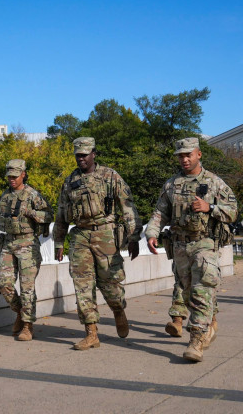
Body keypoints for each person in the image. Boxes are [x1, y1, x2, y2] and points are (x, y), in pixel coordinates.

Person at [145, 137, 237, 362]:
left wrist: (210, 207)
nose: (184, 159)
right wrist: (152, 233)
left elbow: (233, 211)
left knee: (202, 289)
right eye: (181, 155)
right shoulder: (171, 184)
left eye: (189, 154)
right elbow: (160, 212)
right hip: (179, 245)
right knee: (186, 292)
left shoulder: (214, 182)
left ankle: (196, 340)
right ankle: (210, 323)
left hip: (205, 242)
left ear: (199, 154)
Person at [54, 137, 141, 350]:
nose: (81, 158)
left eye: (85, 154)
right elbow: (62, 213)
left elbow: (127, 207)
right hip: (80, 235)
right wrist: (58, 241)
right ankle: (91, 333)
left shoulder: (110, 176)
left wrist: (134, 237)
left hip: (106, 234)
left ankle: (118, 310)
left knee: (110, 284)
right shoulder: (70, 181)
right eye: (78, 155)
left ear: (94, 153)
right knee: (82, 285)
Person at [0, 159, 54, 341]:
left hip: (27, 244)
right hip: (8, 243)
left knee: (27, 288)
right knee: (5, 285)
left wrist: (32, 213)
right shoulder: (5, 195)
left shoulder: (32, 195)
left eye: (15, 176)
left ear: (23, 174)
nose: (11, 179)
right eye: (9, 176)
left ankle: (27, 326)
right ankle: (20, 312)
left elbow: (48, 214)